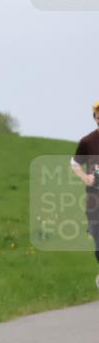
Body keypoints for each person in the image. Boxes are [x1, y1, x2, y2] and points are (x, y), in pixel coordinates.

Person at [70, 101, 99, 288]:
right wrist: (85, 177)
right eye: (98, 115)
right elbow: (74, 163)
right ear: (95, 118)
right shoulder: (88, 142)